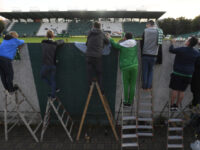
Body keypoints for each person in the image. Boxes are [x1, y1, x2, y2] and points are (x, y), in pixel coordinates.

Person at [169, 37, 199, 110]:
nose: (186, 40)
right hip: (188, 75)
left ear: (189, 42)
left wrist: (172, 43)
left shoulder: (182, 49)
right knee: (182, 91)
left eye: (187, 40)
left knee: (175, 89)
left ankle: (172, 106)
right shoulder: (197, 53)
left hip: (178, 73)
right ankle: (176, 106)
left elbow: (171, 50)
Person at [108, 32, 138, 106]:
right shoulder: (135, 42)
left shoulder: (122, 45)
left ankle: (125, 101)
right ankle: (130, 102)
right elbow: (131, 37)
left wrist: (110, 38)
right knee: (133, 85)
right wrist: (123, 34)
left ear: (125, 38)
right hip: (135, 66)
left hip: (125, 67)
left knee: (126, 85)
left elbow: (114, 45)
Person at [86, 22, 109, 92]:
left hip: (89, 55)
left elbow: (86, 44)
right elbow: (107, 42)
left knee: (89, 70)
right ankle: (101, 89)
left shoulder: (89, 33)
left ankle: (89, 85)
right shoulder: (102, 33)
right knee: (99, 72)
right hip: (97, 56)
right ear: (100, 27)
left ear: (93, 26)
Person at [41, 30, 64, 98]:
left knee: (42, 76)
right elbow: (62, 41)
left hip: (46, 64)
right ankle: (53, 94)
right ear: (53, 36)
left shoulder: (43, 42)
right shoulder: (55, 43)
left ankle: (55, 88)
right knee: (53, 79)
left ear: (46, 36)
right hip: (53, 64)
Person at [140, 20, 159, 90]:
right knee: (151, 71)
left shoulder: (145, 31)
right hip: (154, 55)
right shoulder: (158, 31)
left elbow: (142, 42)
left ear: (149, 24)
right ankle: (148, 86)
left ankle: (144, 86)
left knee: (145, 71)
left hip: (145, 54)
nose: (146, 26)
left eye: (146, 24)